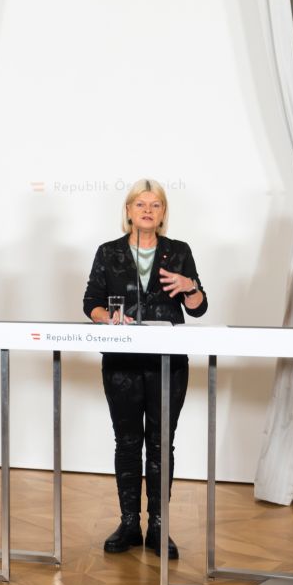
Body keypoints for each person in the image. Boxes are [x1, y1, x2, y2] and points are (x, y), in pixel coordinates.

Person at [82, 179, 207, 559]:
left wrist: (189, 286)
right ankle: (128, 523)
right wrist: (109, 318)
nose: (148, 210)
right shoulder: (109, 252)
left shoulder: (179, 252)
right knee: (127, 442)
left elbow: (199, 308)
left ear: (164, 213)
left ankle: (158, 526)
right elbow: (90, 303)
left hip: (167, 365)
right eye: (140, 204)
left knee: (160, 444)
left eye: (155, 205)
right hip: (121, 363)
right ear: (129, 211)